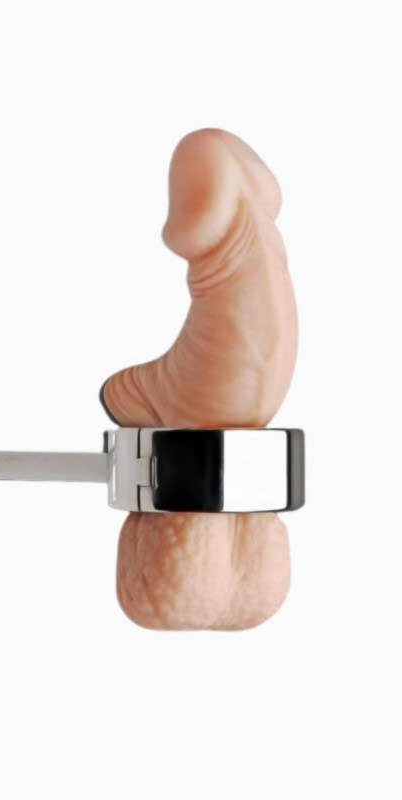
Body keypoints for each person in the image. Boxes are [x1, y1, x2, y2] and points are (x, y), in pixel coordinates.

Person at [101, 129, 296, 630]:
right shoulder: (254, 211)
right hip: (241, 395)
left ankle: (155, 403)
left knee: (133, 394)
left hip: (208, 398)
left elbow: (187, 231)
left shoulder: (223, 193)